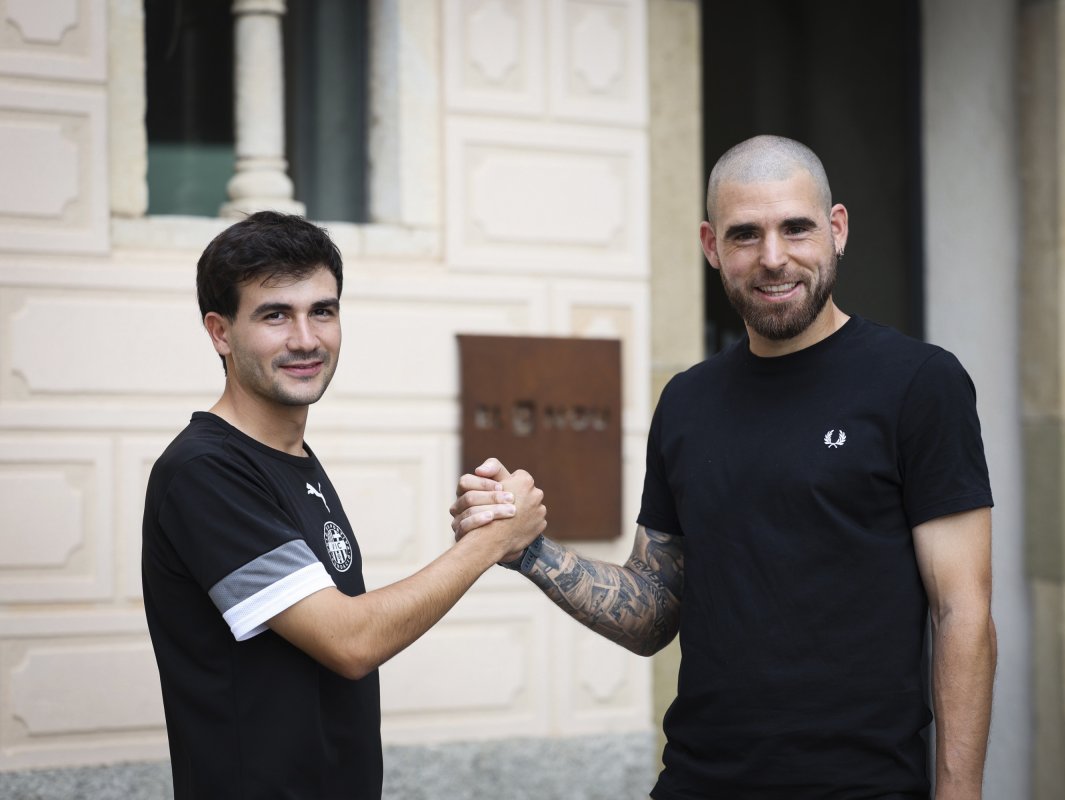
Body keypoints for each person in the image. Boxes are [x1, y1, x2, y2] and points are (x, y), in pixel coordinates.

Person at [452, 135, 997, 799]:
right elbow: (654, 610)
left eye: (795, 228)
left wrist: (959, 792)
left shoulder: (918, 383)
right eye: (746, 235)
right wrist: (530, 551)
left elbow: (961, 611)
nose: (774, 258)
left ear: (837, 229)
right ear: (712, 246)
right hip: (697, 783)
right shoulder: (688, 402)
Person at [141, 211, 546, 799]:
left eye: (322, 311)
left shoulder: (290, 457)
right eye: (275, 314)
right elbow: (350, 642)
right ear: (220, 332)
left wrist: (481, 529)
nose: (306, 338)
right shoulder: (205, 472)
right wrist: (489, 542)